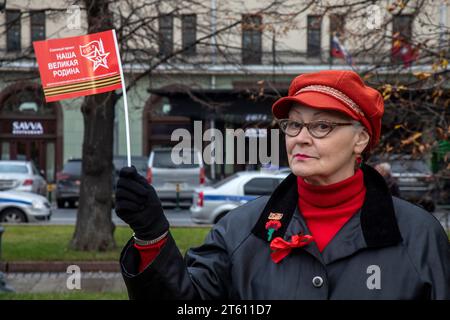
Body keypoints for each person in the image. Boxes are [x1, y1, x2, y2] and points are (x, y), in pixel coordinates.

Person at [116, 70, 450, 300]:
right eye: (293, 125)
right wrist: (152, 237)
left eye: (321, 126)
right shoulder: (239, 231)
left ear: (360, 138)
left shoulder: (418, 235)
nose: (301, 138)